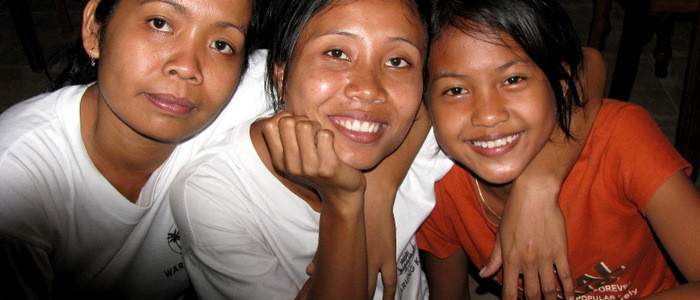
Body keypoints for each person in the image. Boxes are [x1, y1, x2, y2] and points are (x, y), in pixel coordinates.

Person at [169, 0, 611, 299]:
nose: (368, 88)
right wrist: (347, 205)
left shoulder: (427, 127)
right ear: (280, 73)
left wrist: (539, 184)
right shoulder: (216, 198)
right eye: (338, 52)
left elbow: (586, 64)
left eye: (398, 61)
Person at [417, 0, 700, 299]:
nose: (488, 115)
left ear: (562, 85)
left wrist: (537, 185)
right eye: (456, 90)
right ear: (426, 107)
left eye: (513, 80)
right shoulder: (439, 187)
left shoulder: (621, 139)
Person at [0, 0, 262, 298]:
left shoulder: (242, 94)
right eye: (160, 24)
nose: (188, 67)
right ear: (94, 30)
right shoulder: (14, 184)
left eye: (221, 44)